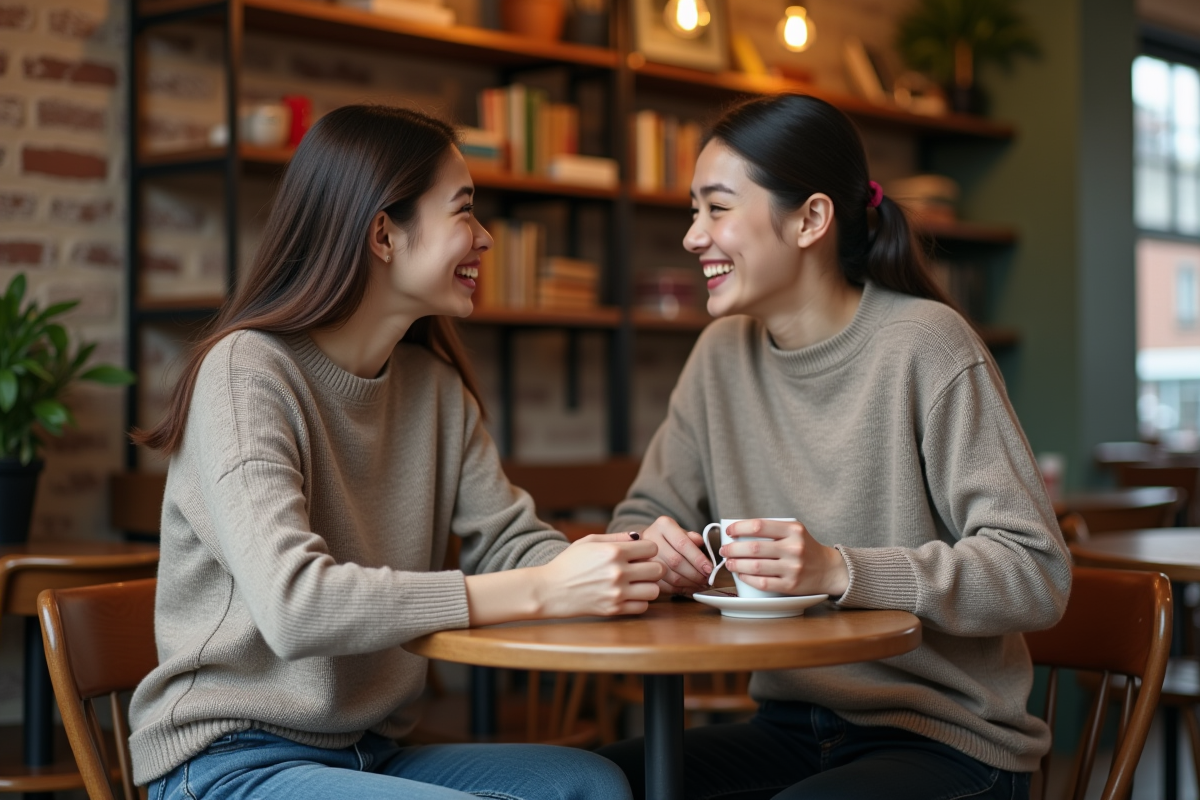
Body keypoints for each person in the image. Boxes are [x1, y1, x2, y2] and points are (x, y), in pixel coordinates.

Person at [126, 104, 660, 800]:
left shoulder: (433, 388)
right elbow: (295, 605)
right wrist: (543, 590)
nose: (485, 238)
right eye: (463, 210)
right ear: (383, 233)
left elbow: (512, 546)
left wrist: (635, 561)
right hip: (231, 760)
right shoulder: (246, 373)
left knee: (592, 783)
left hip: (370, 752)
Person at [597, 94, 1072, 800]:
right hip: (789, 726)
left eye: (717, 208)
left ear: (811, 219)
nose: (694, 236)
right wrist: (652, 547)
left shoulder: (928, 345)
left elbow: (1036, 571)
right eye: (693, 211)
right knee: (591, 783)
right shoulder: (719, 356)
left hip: (947, 739)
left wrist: (841, 569)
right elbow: (638, 515)